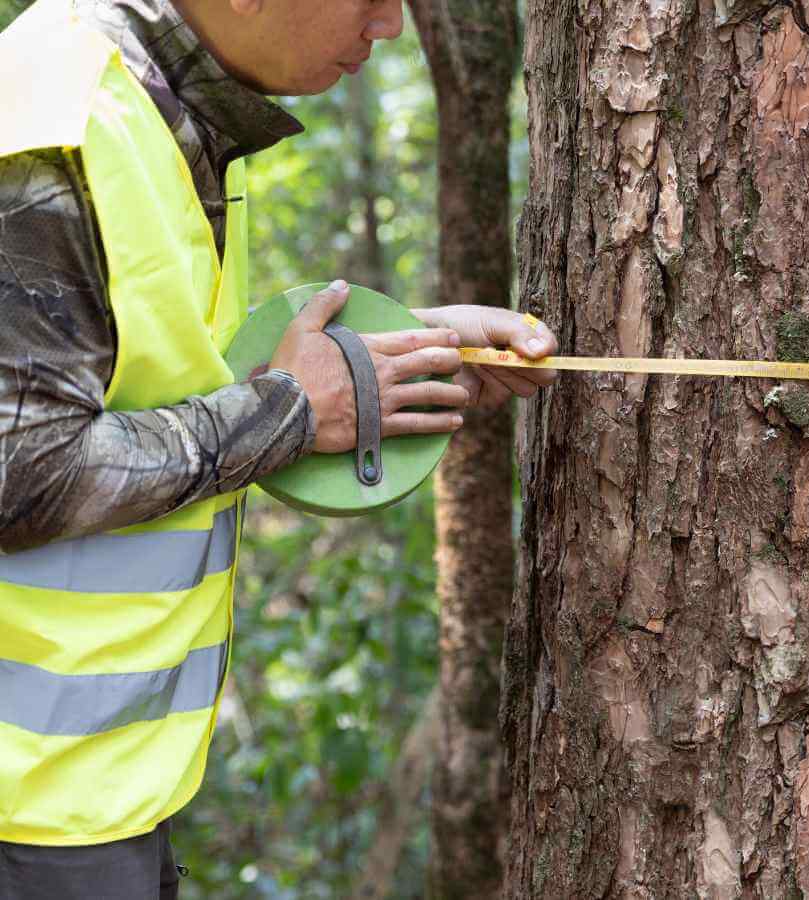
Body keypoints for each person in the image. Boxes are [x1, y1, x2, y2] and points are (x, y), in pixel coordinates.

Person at [0, 0, 557, 896]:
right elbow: (17, 467)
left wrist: (390, 355)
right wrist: (290, 409)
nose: (392, 28)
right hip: (28, 817)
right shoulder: (56, 117)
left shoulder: (172, 114)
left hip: (91, 797)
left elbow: (141, 381)